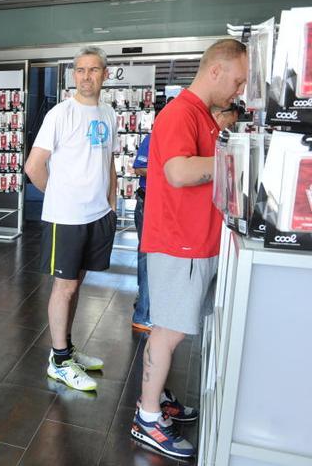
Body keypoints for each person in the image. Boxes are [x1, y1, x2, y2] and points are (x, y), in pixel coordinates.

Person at [131, 39, 248, 459]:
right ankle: (147, 418)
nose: (238, 90)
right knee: (168, 331)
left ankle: (157, 396)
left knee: (172, 330)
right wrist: (237, 159)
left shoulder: (204, 114)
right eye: (236, 81)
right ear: (215, 71)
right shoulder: (181, 112)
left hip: (196, 241)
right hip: (178, 243)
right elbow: (179, 171)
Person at [25, 46, 118, 392]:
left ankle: (66, 347)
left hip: (97, 216)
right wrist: (60, 197)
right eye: (80, 70)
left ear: (104, 75)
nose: (86, 76)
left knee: (76, 284)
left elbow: (109, 161)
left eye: (93, 70)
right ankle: (59, 360)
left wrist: (111, 203)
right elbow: (33, 167)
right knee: (63, 287)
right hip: (66, 217)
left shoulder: (108, 114)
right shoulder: (59, 115)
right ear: (73, 75)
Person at [131, 134, 152, 332]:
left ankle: (143, 303)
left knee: (147, 255)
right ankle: (143, 314)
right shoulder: (153, 138)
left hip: (165, 205)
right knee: (148, 255)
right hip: (149, 203)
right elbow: (138, 167)